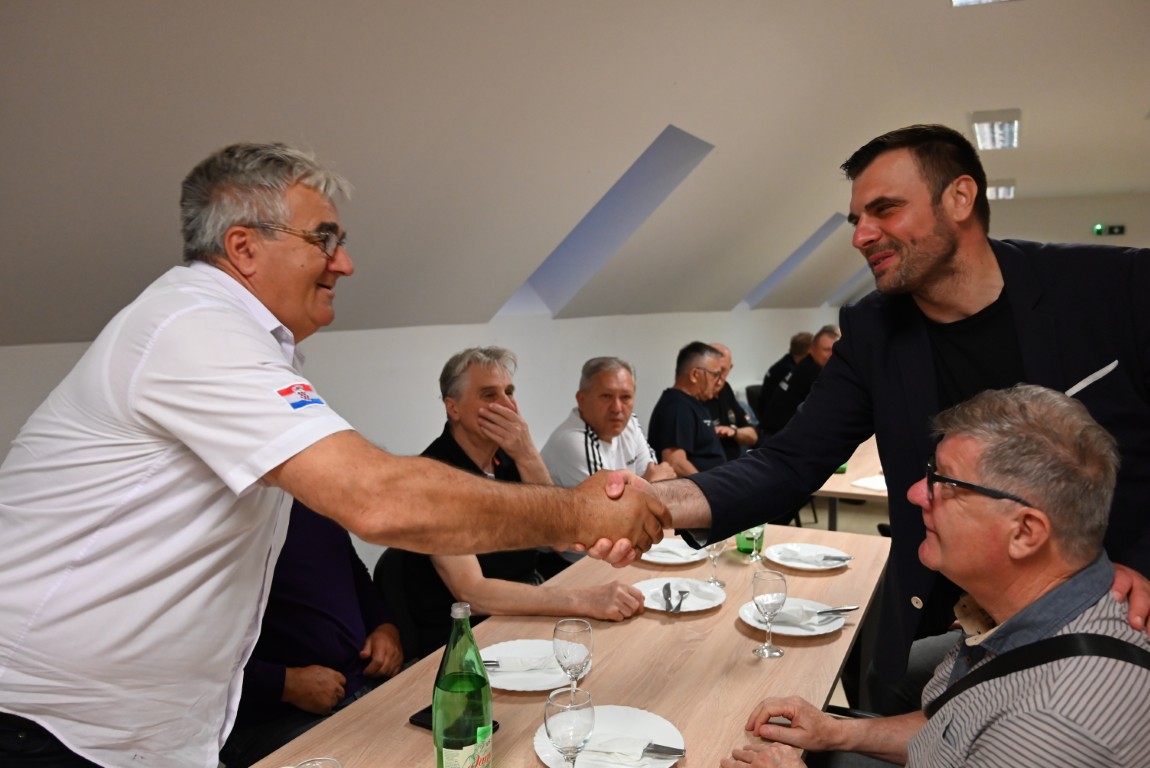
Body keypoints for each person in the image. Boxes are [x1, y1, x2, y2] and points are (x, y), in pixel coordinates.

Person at [0, 143, 668, 768]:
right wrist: (581, 513)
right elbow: (377, 499)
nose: (343, 263)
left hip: (146, 730)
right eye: (323, 240)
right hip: (49, 725)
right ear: (242, 248)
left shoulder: (253, 343)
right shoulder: (193, 328)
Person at [634, 124, 1150, 715]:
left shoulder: (1115, 288)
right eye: (856, 219)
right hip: (949, 618)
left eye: (884, 210)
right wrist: (658, 504)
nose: (861, 236)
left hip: (1108, 612)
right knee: (877, 701)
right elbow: (788, 461)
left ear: (960, 198)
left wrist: (1143, 561)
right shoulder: (872, 330)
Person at [721, 385, 1150, 768]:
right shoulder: (1024, 618)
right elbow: (951, 735)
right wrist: (836, 731)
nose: (915, 494)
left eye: (946, 484)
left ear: (1025, 532)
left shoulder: (1051, 726)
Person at [398, 347, 646, 659]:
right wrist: (583, 600)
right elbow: (473, 592)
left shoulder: (508, 457)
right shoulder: (432, 478)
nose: (507, 405)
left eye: (510, 392)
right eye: (489, 395)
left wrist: (527, 453)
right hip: (464, 638)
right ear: (454, 407)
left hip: (524, 607)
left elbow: (561, 536)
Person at [221, 500, 404, 768]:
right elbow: (195, 655)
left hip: (363, 684)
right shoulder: (221, 528)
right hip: (274, 720)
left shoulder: (311, 501)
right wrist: (284, 684)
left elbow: (353, 571)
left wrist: (385, 626)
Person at [541, 356, 672, 486]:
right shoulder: (573, 441)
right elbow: (606, 501)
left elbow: (656, 475)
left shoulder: (630, 423)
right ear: (581, 400)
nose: (617, 408)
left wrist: (647, 484)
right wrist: (649, 484)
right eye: (606, 396)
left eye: (625, 397)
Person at [646, 341, 728, 477]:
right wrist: (707, 486)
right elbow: (674, 463)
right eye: (715, 375)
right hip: (702, 488)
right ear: (695, 375)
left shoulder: (692, 403)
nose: (718, 381)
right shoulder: (676, 407)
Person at [758, 325, 840, 437]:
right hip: (779, 437)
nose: (831, 355)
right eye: (826, 350)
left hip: (782, 432)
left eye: (835, 350)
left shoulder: (806, 365)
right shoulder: (811, 372)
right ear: (812, 349)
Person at [705, 343, 759, 460]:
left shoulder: (725, 389)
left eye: (722, 371)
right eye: (713, 372)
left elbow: (752, 435)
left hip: (735, 461)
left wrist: (734, 432)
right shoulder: (689, 400)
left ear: (730, 368)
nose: (718, 379)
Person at [756, 332, 812, 423]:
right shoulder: (790, 370)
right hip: (773, 419)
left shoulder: (786, 361)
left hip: (768, 413)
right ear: (809, 350)